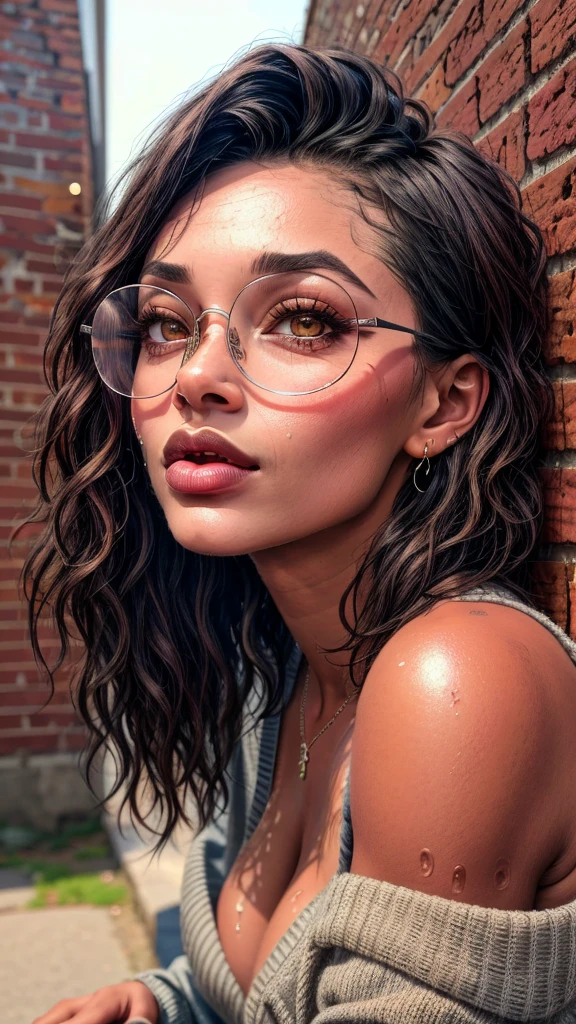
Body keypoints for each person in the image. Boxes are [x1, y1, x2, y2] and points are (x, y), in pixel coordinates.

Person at [27, 41, 576, 1024]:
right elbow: (272, 985)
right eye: (165, 320)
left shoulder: (458, 679)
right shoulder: (274, 666)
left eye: (305, 320)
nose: (197, 374)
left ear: (444, 403)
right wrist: (162, 1002)